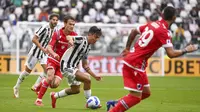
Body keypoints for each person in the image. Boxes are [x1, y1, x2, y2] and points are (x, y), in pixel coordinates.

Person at [106, 6, 198, 112]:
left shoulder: (152, 24)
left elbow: (133, 31)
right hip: (136, 64)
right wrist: (186, 50)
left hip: (135, 61)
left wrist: (127, 48)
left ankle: (114, 104)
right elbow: (171, 54)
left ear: (163, 15)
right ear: (174, 18)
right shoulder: (164, 31)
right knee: (135, 97)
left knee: (146, 93)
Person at [50, 26, 102, 108]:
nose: (96, 40)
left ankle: (54, 96)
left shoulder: (88, 47)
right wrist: (70, 40)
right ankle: (89, 102)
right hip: (66, 66)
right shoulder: (81, 39)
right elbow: (69, 36)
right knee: (87, 79)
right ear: (90, 34)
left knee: (76, 90)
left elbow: (85, 65)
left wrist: (95, 76)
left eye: (98, 38)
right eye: (95, 37)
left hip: (73, 67)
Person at [34, 15, 78, 106]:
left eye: (73, 25)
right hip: (53, 59)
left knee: (54, 85)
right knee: (50, 77)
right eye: (70, 24)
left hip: (63, 64)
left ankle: (42, 83)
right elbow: (49, 47)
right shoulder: (57, 34)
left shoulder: (75, 36)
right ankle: (38, 100)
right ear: (65, 24)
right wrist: (54, 54)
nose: (72, 26)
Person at [13, 13, 59, 98]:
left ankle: (36, 86)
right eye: (53, 19)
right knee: (27, 72)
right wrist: (42, 48)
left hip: (44, 54)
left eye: (56, 20)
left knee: (47, 71)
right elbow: (34, 39)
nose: (55, 21)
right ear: (50, 20)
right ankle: (16, 87)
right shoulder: (45, 28)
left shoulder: (55, 30)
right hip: (35, 52)